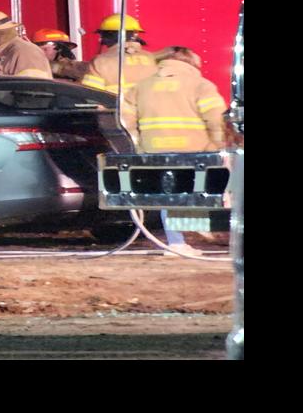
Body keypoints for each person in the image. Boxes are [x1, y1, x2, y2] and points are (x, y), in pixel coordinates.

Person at [124, 46, 229, 257]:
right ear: (192, 64)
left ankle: (176, 242)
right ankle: (199, 228)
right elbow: (217, 120)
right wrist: (219, 147)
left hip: (154, 150)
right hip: (195, 149)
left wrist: (139, 146)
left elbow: (126, 122)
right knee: (198, 190)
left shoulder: (141, 87)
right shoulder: (201, 85)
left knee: (168, 194)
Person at [78, 14, 162, 136]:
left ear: (109, 37)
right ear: (134, 35)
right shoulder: (151, 58)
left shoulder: (101, 61)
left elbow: (90, 95)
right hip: (152, 119)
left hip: (122, 123)